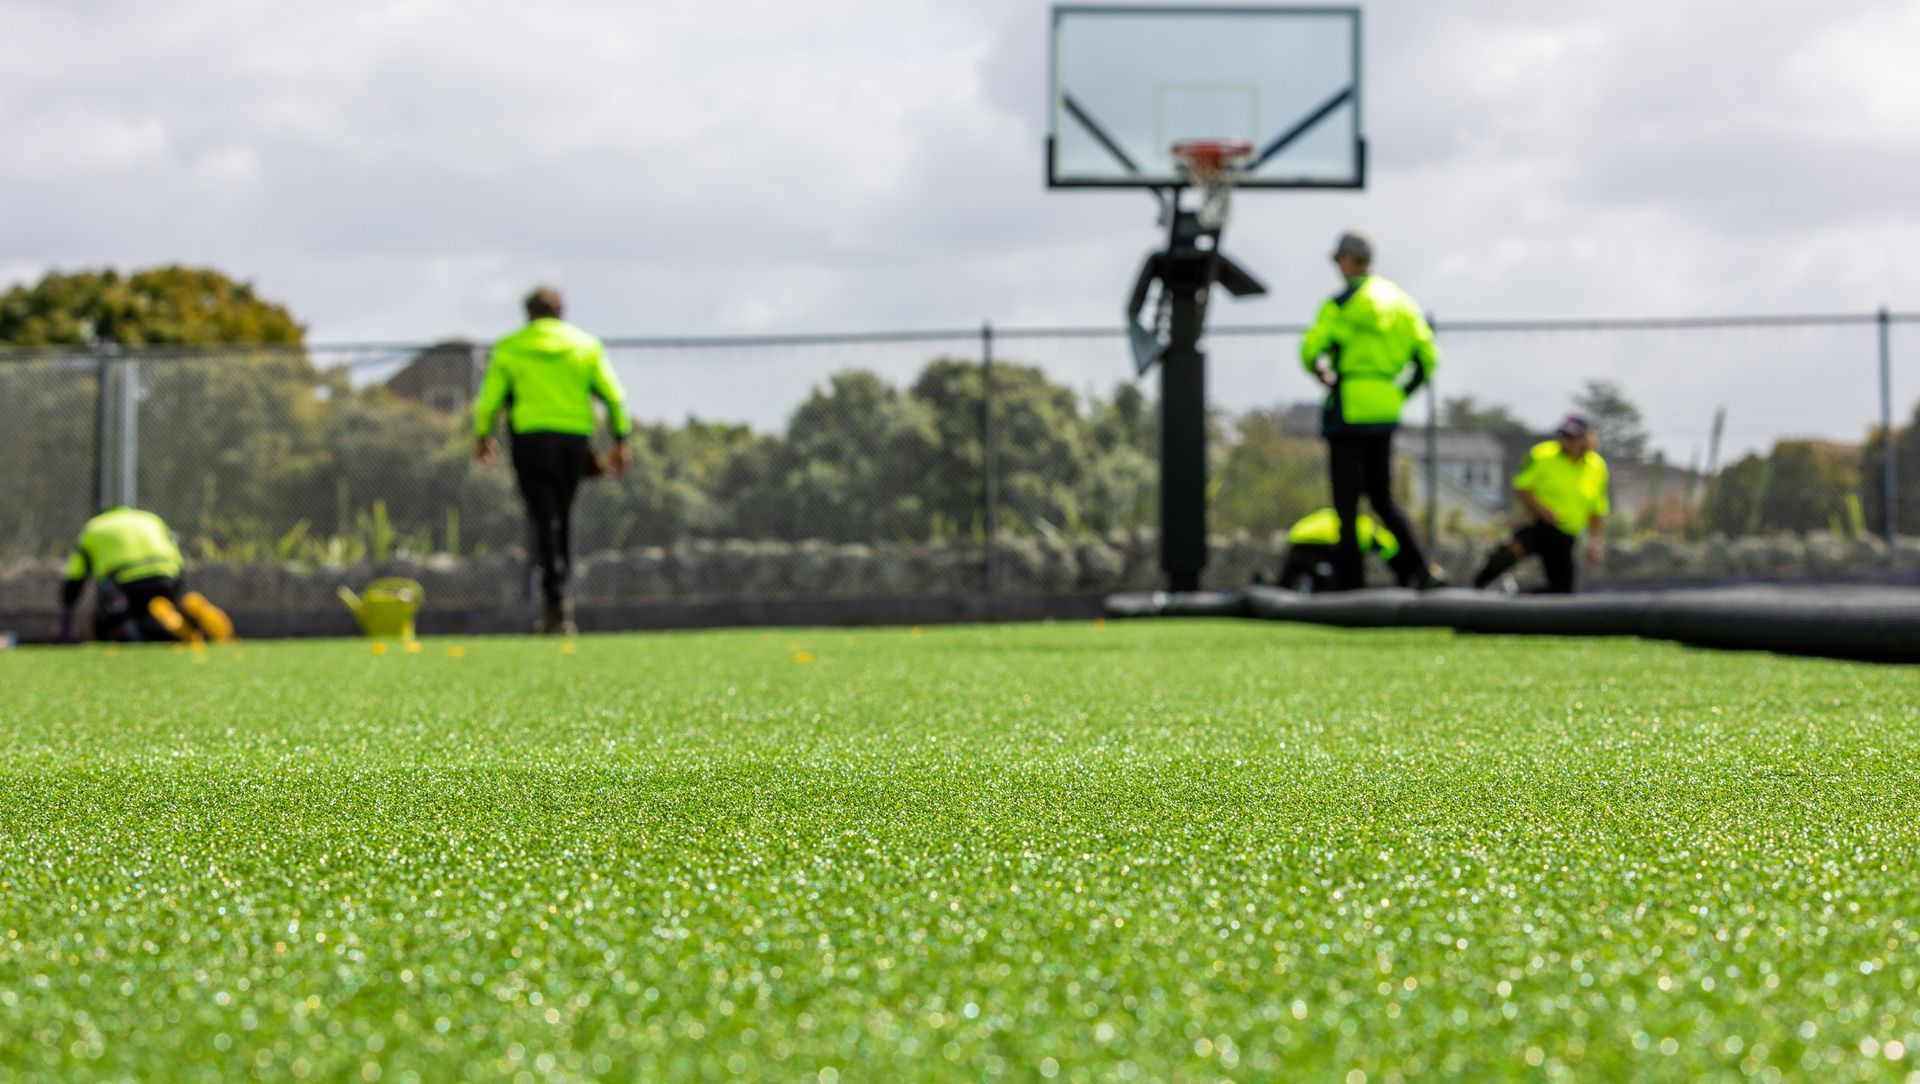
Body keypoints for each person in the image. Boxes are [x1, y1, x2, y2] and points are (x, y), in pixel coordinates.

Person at [474, 286, 632, 635]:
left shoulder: (511, 346)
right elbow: (615, 398)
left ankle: (553, 602)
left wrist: (483, 436)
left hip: (530, 439)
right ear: (561, 313)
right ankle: (561, 601)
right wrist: (621, 440)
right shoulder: (586, 346)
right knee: (563, 515)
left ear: (528, 314)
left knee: (543, 519)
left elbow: (488, 402)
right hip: (573, 441)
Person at [1299, 231, 1441, 591]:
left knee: (1346, 504)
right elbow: (1427, 358)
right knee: (1382, 496)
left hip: (1349, 408)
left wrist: (1322, 372)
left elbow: (1313, 348)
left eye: (1338, 261)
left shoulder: (1344, 303)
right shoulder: (1403, 303)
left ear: (1348, 259)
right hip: (1386, 407)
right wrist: (1399, 393)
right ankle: (1423, 569)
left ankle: (1351, 585)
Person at [1472, 413, 1610, 594]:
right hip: (1538, 525)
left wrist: (1595, 543)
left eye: (1573, 436)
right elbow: (1521, 487)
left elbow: (1597, 510)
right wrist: (1542, 510)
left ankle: (1512, 599)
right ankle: (1474, 590)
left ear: (1588, 437)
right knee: (1508, 554)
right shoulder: (1543, 454)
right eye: (1565, 436)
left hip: (1565, 536)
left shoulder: (1597, 467)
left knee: (1561, 592)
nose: (1567, 441)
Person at [58, 506, 233, 644]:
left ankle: (175, 629)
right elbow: (176, 553)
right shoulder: (150, 518)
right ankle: (185, 613)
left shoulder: (93, 527)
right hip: (168, 574)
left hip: (130, 581)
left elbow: (75, 577)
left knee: (127, 621)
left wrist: (66, 624)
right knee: (163, 607)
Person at [1272, 508, 1404, 593]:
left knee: (1285, 581)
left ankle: (1265, 585)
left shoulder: (1361, 523)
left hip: (1297, 540)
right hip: (1316, 545)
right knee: (1328, 579)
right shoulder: (1367, 531)